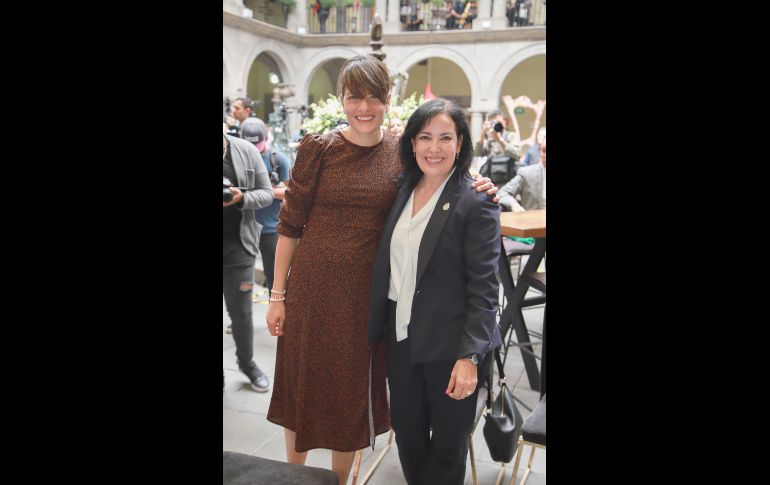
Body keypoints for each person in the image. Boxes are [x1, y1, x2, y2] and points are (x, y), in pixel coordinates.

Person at [264, 55, 498, 485]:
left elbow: (442, 174)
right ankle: (286, 477)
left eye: (374, 96)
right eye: (354, 97)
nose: (364, 107)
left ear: (388, 100)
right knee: (300, 389)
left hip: (364, 303)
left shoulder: (399, 153)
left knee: (351, 402)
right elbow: (289, 227)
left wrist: (478, 181)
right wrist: (278, 295)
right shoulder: (319, 148)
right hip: (311, 294)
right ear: (342, 99)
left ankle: (341, 481)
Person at [367, 98, 502, 484]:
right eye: (425, 137)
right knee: (408, 436)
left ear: (460, 144)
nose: (434, 148)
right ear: (411, 142)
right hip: (402, 338)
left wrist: (469, 357)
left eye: (445, 138)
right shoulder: (402, 188)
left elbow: (484, 289)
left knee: (447, 446)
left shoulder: (476, 201)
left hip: (450, 345)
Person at [222, 132, 274, 392]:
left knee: (241, 315)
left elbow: (267, 193)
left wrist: (241, 198)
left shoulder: (244, 150)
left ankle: (247, 363)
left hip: (238, 247)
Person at [242, 117, 291, 294]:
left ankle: (276, 315)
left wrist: (265, 192)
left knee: (274, 277)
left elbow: (292, 193)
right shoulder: (238, 159)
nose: (255, 150)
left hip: (271, 230)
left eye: (258, 144)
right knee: (242, 277)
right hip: (242, 228)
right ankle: (241, 318)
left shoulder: (277, 160)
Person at [499, 140, 546, 212]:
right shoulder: (526, 173)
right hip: (534, 221)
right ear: (540, 152)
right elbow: (503, 193)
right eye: (544, 150)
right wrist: (514, 204)